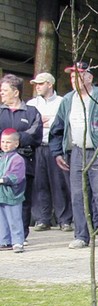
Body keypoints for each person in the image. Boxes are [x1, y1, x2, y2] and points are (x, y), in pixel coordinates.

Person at [49, 61, 98, 251]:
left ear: (89, 77)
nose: (75, 79)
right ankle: (81, 236)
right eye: (72, 76)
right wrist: (58, 152)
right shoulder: (67, 100)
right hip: (77, 152)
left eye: (80, 75)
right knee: (78, 195)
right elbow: (57, 129)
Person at [27, 72, 73, 233]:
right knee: (39, 184)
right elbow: (30, 125)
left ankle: (64, 219)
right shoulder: (32, 104)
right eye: (36, 84)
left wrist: (45, 121)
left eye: (40, 83)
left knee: (60, 183)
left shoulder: (62, 102)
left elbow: (62, 124)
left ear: (50, 84)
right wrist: (41, 122)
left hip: (56, 147)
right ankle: (42, 219)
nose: (37, 86)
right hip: (37, 146)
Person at [0, 74, 43, 241]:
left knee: (23, 200)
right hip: (1, 161)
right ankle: (4, 237)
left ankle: (20, 236)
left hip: (25, 160)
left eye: (4, 90)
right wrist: (13, 139)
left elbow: (35, 135)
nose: (1, 93)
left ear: (16, 92)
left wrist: (12, 138)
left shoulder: (32, 112)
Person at [0, 129, 26, 253]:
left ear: (16, 144)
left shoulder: (18, 159)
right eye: (3, 141)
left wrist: (5, 179)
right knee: (2, 220)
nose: (5, 144)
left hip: (13, 195)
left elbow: (17, 176)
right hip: (1, 195)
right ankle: (4, 241)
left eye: (8, 142)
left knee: (14, 219)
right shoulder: (1, 157)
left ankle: (18, 241)